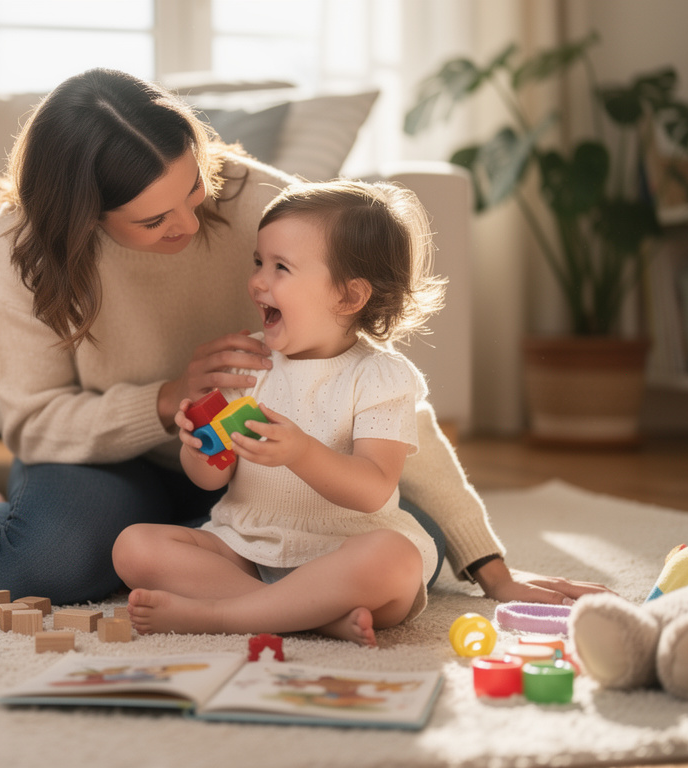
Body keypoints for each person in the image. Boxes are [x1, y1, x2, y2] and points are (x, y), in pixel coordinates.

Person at [0, 67, 609, 609]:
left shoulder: (263, 208)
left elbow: (380, 395)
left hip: (268, 468)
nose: (189, 223)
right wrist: (166, 401)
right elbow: (34, 423)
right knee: (52, 560)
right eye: (156, 222)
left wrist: (490, 567)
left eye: (196, 190)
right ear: (84, 217)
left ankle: (253, 584)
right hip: (110, 465)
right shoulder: (22, 244)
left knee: (402, 540)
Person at [113, 179, 443, 645]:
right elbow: (211, 479)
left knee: (395, 559)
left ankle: (225, 616)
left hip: (342, 555)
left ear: (350, 297)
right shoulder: (248, 362)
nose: (257, 281)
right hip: (246, 546)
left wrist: (300, 452)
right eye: (258, 262)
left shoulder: (380, 376)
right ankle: (311, 617)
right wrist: (200, 446)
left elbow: (373, 488)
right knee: (134, 547)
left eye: (281, 267)